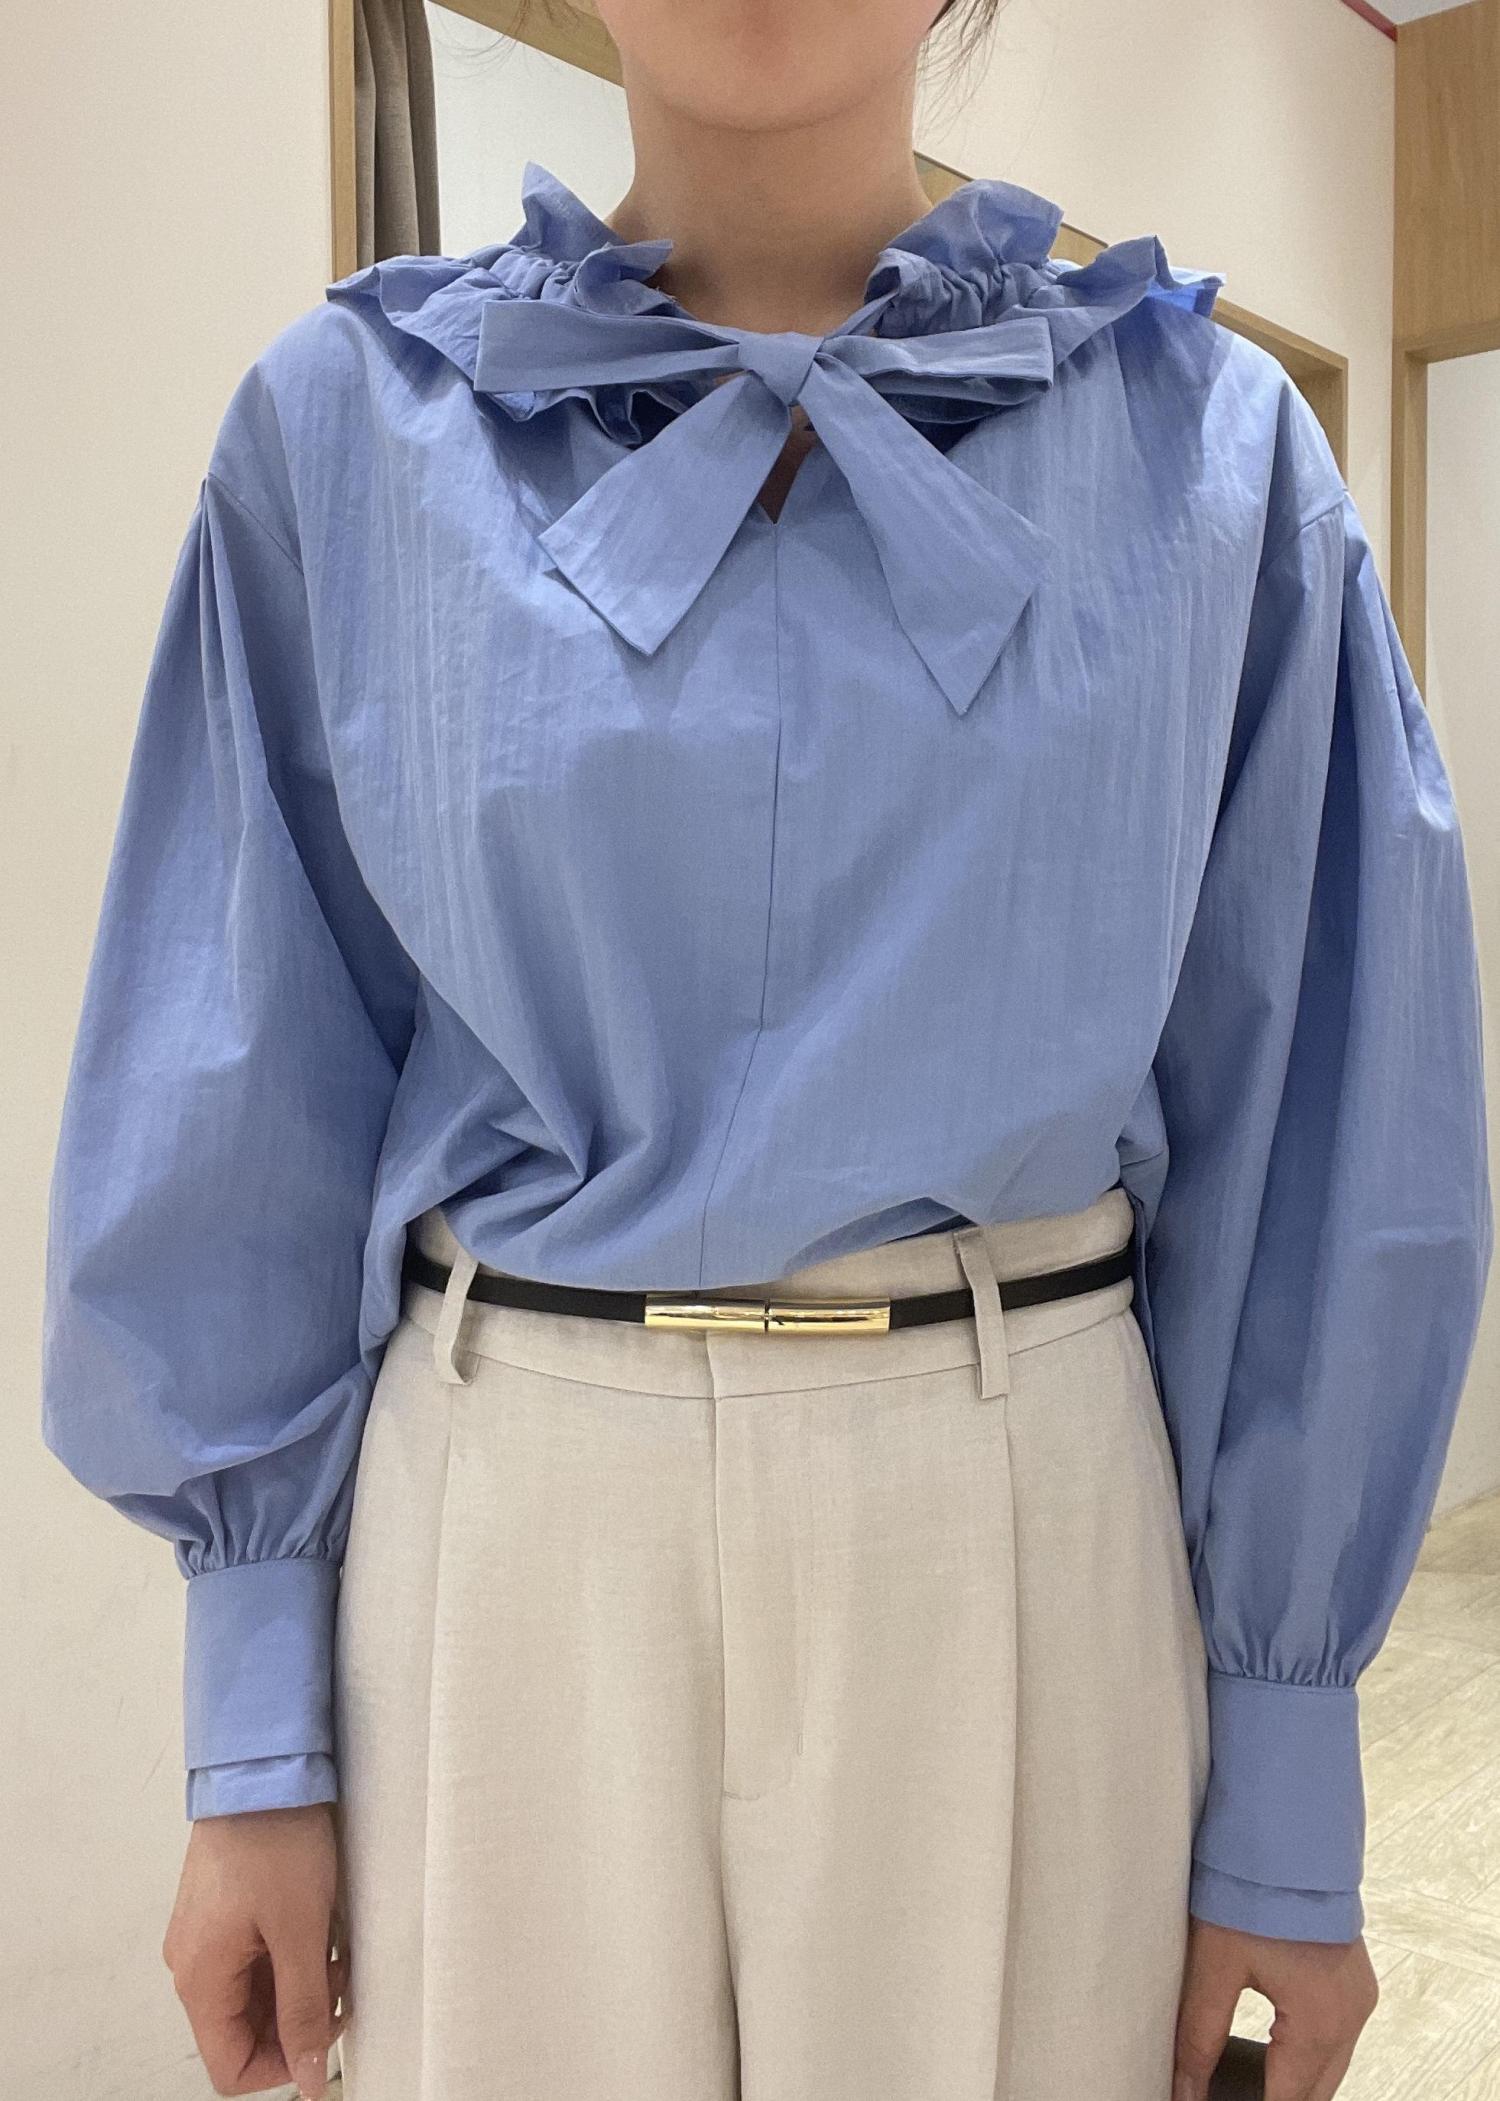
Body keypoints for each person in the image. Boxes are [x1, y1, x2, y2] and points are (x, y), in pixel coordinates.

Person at [40, 1, 1493, 2097]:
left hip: (1021, 1519)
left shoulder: (1215, 456)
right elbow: (246, 1061)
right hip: (509, 1524)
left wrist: (1284, 1762)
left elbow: (1327, 1112)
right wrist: (253, 1720)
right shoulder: (345, 429)